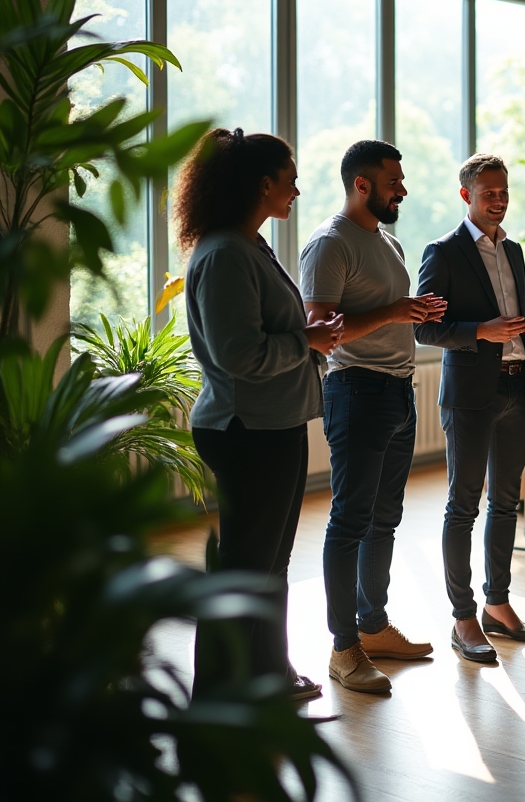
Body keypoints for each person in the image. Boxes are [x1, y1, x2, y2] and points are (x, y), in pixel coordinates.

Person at [178, 128, 344, 703]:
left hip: (274, 425)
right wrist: (309, 341)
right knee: (245, 568)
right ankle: (220, 694)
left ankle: (268, 674)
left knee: (270, 563)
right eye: (290, 177)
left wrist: (309, 338)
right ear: (264, 183)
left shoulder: (249, 244)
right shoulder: (225, 253)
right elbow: (240, 356)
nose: (297, 188)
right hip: (245, 429)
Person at [300, 139, 447, 694]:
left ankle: (373, 624)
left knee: (385, 518)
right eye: (393, 182)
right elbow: (323, 331)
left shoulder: (388, 240)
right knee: (350, 521)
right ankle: (343, 650)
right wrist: (396, 311)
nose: (402, 190)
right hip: (356, 393)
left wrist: (417, 313)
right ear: (361, 185)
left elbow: (388, 316)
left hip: (398, 393)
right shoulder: (329, 243)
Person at [415, 153, 525, 663]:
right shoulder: (443, 252)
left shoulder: (513, 251)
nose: (498, 200)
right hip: (471, 396)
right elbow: (424, 328)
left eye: (503, 192)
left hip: (517, 389)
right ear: (466, 196)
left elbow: (514, 318)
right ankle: (463, 617)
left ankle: (498, 604)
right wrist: (481, 331)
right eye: (488, 192)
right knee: (463, 505)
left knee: (506, 504)